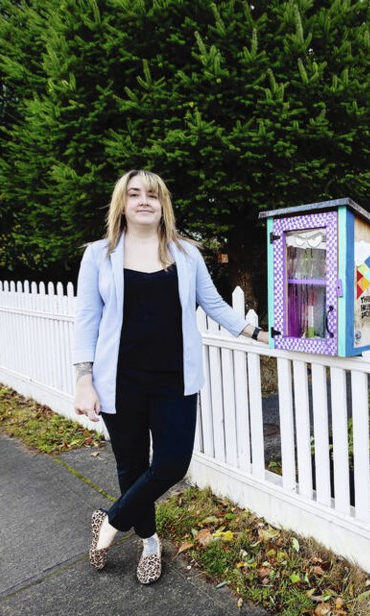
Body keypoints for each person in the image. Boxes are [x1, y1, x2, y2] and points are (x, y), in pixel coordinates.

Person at [72, 169, 269, 584]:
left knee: (172, 463)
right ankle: (149, 542)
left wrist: (254, 331)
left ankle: (110, 521)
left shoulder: (185, 254)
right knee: (131, 466)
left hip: (174, 380)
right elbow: (87, 319)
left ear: (163, 206)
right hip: (119, 381)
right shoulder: (98, 255)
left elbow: (213, 303)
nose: (144, 201)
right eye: (135, 194)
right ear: (121, 204)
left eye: (153, 195)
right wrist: (83, 378)